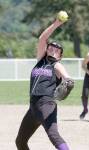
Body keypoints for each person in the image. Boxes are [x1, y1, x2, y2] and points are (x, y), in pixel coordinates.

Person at [15, 18, 74, 150]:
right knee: (20, 141)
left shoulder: (56, 65)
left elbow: (67, 77)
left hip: (46, 104)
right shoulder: (40, 61)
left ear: (60, 56)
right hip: (33, 107)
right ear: (47, 50)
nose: (54, 49)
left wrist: (68, 82)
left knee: (54, 135)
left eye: (57, 49)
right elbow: (42, 38)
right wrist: (57, 24)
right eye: (51, 47)